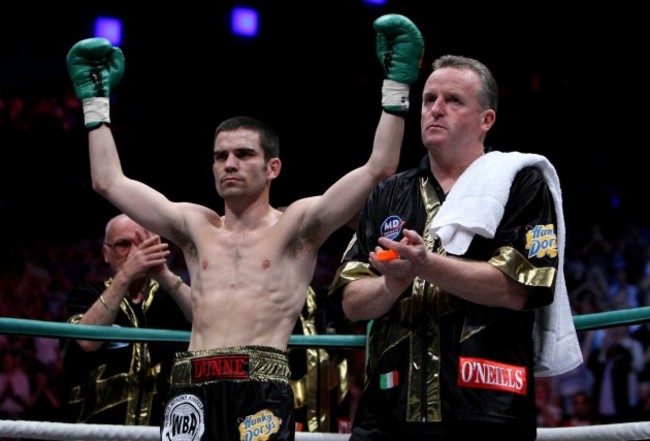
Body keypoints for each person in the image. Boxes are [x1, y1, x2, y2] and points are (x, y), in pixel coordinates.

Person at [64, 13, 423, 441]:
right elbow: (109, 182)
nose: (229, 164)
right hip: (191, 389)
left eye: (243, 154)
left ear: (273, 167)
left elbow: (378, 168)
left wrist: (397, 84)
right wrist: (95, 105)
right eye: (220, 156)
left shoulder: (298, 224)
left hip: (260, 390)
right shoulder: (194, 226)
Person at [327, 53, 583, 440]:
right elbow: (350, 300)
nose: (435, 109)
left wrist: (425, 265)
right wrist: (391, 285)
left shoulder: (522, 183)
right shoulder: (389, 193)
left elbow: (519, 288)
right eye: (429, 100)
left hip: (488, 407)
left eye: (454, 100)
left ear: (486, 120)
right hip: (386, 414)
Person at [58, 213, 192, 425]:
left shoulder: (172, 297)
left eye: (142, 244)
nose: (134, 253)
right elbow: (87, 341)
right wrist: (126, 275)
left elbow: (209, 322)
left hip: (164, 430)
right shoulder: (87, 294)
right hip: (100, 432)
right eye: (123, 244)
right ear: (106, 253)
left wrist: (165, 274)